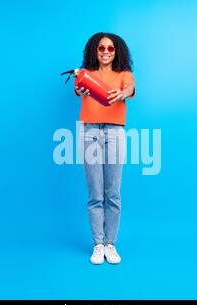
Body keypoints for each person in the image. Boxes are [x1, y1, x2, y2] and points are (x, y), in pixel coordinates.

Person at [74, 32, 135, 265]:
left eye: (111, 48)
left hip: (115, 132)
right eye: (101, 48)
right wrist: (81, 89)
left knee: (113, 192)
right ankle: (98, 244)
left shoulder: (124, 74)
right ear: (94, 50)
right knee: (95, 193)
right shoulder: (86, 74)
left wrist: (124, 92)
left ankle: (111, 244)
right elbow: (79, 91)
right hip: (90, 130)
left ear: (116, 51)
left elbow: (130, 87)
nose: (106, 52)